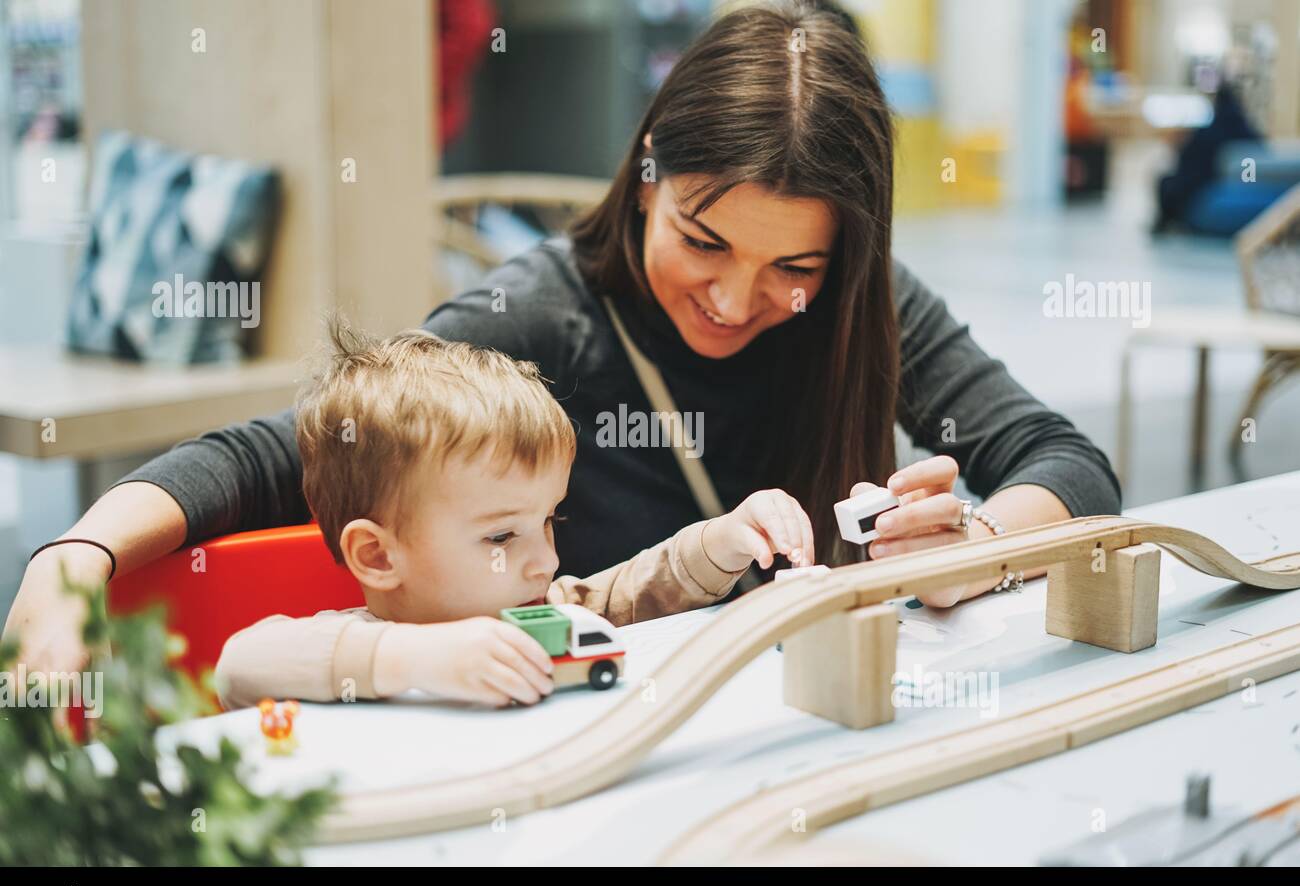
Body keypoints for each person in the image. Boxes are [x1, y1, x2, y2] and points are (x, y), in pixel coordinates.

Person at [5, 1, 1120, 676]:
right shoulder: (537, 317)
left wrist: (968, 539)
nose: (736, 300)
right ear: (642, 180)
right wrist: (75, 557)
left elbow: (1066, 461)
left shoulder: (861, 305)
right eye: (703, 239)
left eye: (793, 267)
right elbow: (280, 452)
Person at [214, 320, 812, 709]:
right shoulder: (354, 647)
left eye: (550, 520)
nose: (546, 561)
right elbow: (240, 665)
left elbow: (635, 592)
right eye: (502, 535)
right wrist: (413, 659)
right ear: (377, 555)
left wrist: (724, 541)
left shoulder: (543, 614)